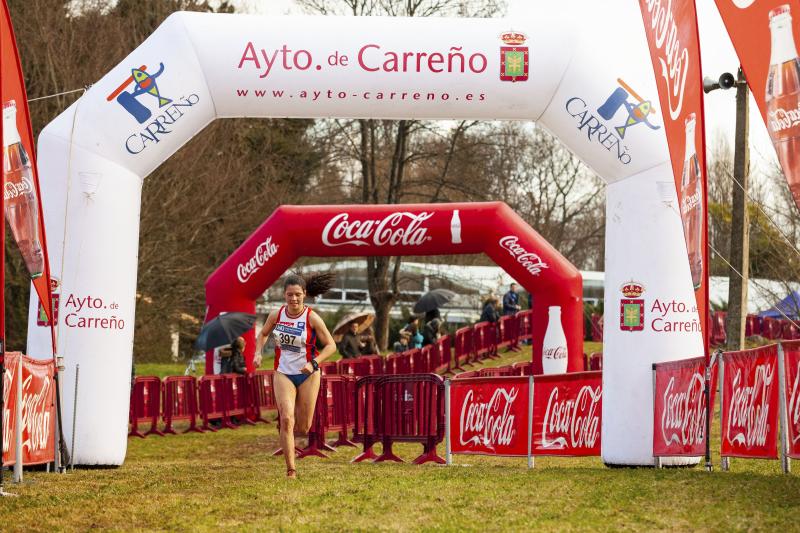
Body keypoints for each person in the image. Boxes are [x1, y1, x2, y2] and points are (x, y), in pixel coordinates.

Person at [254, 272, 337, 479]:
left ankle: (285, 424)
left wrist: (314, 363)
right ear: (284, 295)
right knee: (288, 420)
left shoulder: (311, 317)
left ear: (304, 294)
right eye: (290, 295)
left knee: (303, 427)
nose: (294, 299)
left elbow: (331, 345)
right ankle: (291, 469)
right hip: (283, 372)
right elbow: (263, 334)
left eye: (297, 295)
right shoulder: (277, 315)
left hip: (308, 374)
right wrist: (257, 352)